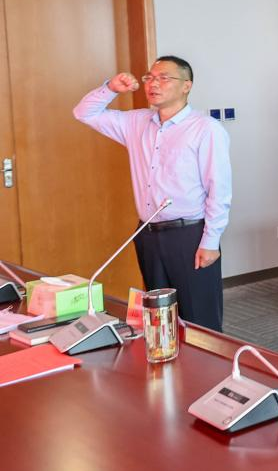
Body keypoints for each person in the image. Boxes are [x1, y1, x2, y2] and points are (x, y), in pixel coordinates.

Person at [74, 56, 232, 330]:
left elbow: (219, 189)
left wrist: (211, 240)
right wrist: (111, 88)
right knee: (159, 319)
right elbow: (83, 113)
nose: (153, 84)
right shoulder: (136, 122)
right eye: (149, 78)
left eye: (164, 78)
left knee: (199, 319)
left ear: (186, 86)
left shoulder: (206, 128)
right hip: (147, 233)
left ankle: (207, 359)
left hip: (190, 235)